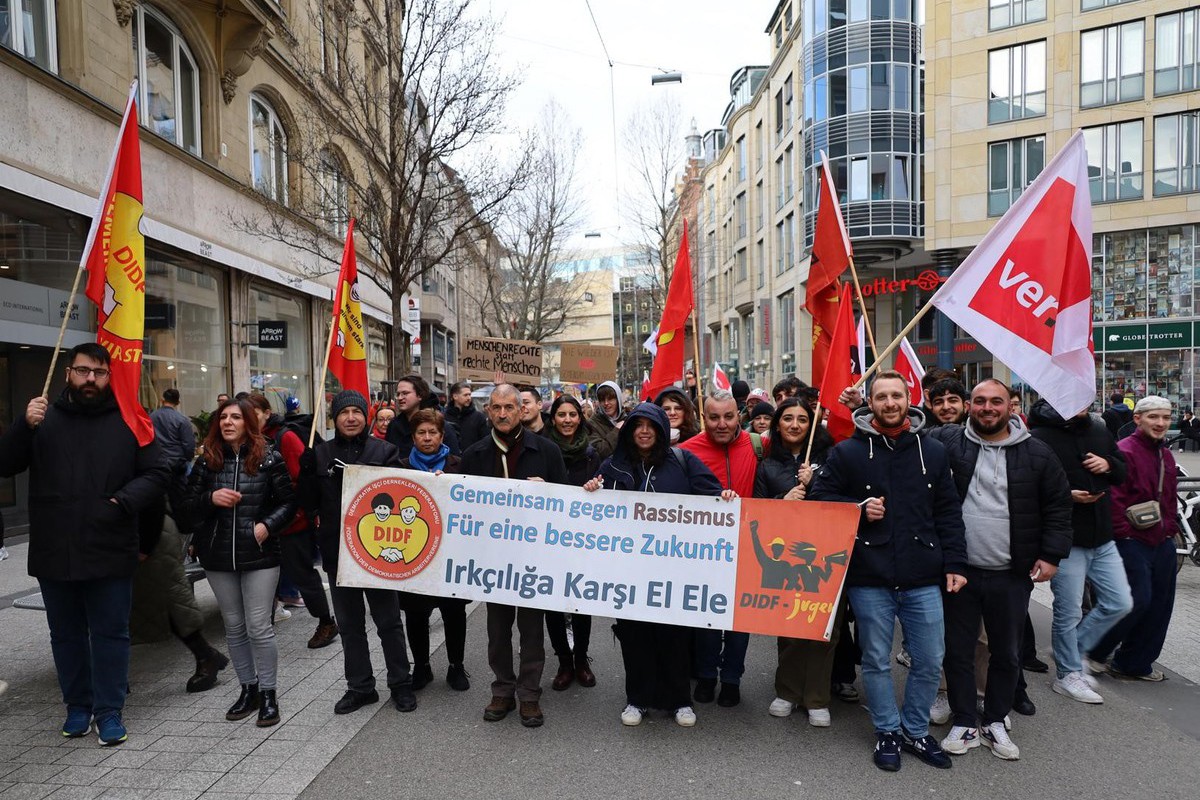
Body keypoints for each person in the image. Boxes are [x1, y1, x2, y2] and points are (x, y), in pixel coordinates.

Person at [0, 343, 169, 745]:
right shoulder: (43, 418)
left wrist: (120, 503)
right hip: (54, 548)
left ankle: (109, 711)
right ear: (67, 374)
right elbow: (5, 465)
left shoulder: (130, 419)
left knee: (111, 633)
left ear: (109, 376)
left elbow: (158, 473)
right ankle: (77, 706)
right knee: (66, 635)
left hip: (110, 545)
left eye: (98, 372)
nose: (89, 379)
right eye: (82, 371)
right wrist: (24, 425)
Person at [810, 370, 967, 772]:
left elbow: (948, 512)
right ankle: (887, 731)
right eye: (882, 396)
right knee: (877, 659)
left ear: (909, 398)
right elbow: (820, 499)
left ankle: (915, 730)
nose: (890, 403)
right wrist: (858, 511)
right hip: (870, 576)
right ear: (870, 402)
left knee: (931, 658)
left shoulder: (931, 451)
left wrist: (955, 563)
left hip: (922, 575)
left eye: (897, 395)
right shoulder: (846, 452)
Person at [926, 380, 1072, 761]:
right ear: (969, 406)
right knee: (957, 651)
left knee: (1006, 653)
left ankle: (994, 719)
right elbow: (904, 431)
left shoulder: (1038, 454)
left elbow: (1058, 508)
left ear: (1012, 405)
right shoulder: (948, 445)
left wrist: (1052, 555)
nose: (987, 408)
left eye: (995, 401)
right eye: (979, 401)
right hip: (959, 571)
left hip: (1012, 573)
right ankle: (963, 719)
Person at [583, 403, 729, 727]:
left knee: (674, 636)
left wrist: (725, 497)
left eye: (652, 425)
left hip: (674, 570)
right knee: (635, 637)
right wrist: (592, 490)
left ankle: (680, 701)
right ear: (630, 430)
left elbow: (714, 497)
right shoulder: (612, 466)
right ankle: (637, 698)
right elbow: (592, 514)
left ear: (662, 430)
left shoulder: (682, 461)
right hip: (628, 571)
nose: (645, 431)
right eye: (638, 425)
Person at [299, 390, 418, 714]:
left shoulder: (385, 450)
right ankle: (361, 686)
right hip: (338, 554)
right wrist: (307, 473)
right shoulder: (320, 453)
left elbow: (399, 493)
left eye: (356, 411)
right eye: (343, 412)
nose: (350, 417)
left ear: (366, 416)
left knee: (389, 622)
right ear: (334, 418)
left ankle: (400, 683)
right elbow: (308, 504)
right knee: (350, 625)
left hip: (377, 552)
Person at [460, 384, 568, 728]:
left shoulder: (547, 451)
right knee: (497, 629)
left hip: (534, 557)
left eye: (510, 407)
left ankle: (530, 694)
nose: (503, 413)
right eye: (496, 408)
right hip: (494, 559)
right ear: (487, 412)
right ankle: (502, 689)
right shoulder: (475, 454)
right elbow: (463, 504)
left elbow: (567, 505)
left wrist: (547, 492)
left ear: (523, 410)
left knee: (532, 629)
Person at [185, 397, 296, 728]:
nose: (227, 422)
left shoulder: (268, 459)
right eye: (223, 417)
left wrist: (267, 525)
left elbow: (289, 504)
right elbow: (186, 509)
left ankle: (269, 695)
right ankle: (247, 689)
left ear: (249, 422)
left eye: (235, 417)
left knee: (259, 626)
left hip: (260, 555)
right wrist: (210, 498)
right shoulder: (207, 463)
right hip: (218, 555)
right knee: (234, 627)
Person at [1027, 399, 1132, 705]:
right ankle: (1068, 673)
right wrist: (1066, 496)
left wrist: (1109, 465)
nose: (1079, 402)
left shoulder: (1100, 429)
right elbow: (1028, 489)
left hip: (1103, 537)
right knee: (1068, 611)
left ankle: (1069, 650)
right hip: (1066, 539)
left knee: (1120, 602)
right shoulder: (1038, 438)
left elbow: (1122, 472)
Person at [753, 398, 841, 726]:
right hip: (787, 558)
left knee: (823, 627)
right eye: (787, 418)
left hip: (823, 552)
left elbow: (842, 500)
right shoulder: (767, 465)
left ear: (812, 424)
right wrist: (782, 500)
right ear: (777, 425)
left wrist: (815, 482)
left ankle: (817, 696)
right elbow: (758, 510)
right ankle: (787, 691)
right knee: (789, 623)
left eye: (802, 419)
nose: (794, 425)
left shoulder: (832, 458)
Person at [1089, 396, 1180, 682]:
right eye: (1154, 417)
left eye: (1165, 417)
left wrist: (1172, 528)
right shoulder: (1124, 450)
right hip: (1131, 539)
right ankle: (1093, 651)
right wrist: (1123, 533)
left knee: (1160, 605)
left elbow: (1169, 497)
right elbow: (1113, 497)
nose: (1161, 423)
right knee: (1135, 600)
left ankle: (1134, 664)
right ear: (1138, 419)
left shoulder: (1165, 454)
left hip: (1162, 538)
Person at [679, 390, 760, 708]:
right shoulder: (685, 451)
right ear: (703, 418)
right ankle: (706, 675)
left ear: (739, 415)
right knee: (706, 617)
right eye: (714, 417)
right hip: (704, 551)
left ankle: (731, 679)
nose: (722, 423)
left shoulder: (757, 446)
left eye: (728, 416)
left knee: (740, 621)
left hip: (746, 547)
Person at [247, 394, 338, 650]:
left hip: (291, 521)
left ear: (267, 412)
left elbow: (303, 478)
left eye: (253, 412)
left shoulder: (284, 436)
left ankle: (326, 622)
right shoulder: (252, 440)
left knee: (301, 573)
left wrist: (295, 511)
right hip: (264, 521)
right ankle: (265, 623)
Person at [396, 408, 470, 692]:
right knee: (415, 614)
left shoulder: (458, 466)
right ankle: (422, 667)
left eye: (433, 433)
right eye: (421, 433)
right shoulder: (401, 468)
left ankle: (456, 666)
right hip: (414, 555)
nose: (427, 438)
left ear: (442, 435)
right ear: (413, 437)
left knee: (453, 612)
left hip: (450, 553)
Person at [544, 395, 603, 691]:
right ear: (553, 418)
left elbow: (602, 494)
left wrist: (596, 487)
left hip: (580, 539)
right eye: (561, 414)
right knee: (552, 604)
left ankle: (581, 659)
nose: (567, 420)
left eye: (573, 415)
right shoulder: (542, 448)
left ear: (580, 418)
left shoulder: (591, 454)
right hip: (548, 540)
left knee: (580, 602)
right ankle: (564, 662)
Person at [386, 373, 460, 455]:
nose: (400, 398)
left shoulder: (442, 426)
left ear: (420, 395)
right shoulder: (393, 426)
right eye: (398, 394)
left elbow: (454, 462)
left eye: (405, 393)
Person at [444, 381, 487, 451]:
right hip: (450, 459)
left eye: (470, 395)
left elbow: (485, 441)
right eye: (465, 395)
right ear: (455, 396)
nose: (469, 398)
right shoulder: (444, 417)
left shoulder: (479, 417)